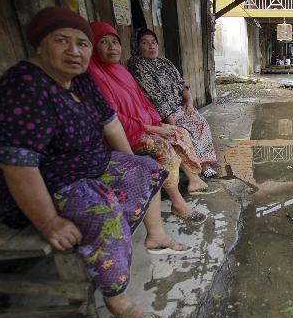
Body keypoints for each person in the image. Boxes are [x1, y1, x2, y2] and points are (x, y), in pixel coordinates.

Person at [0, 7, 186, 318]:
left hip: (89, 164)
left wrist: (129, 165)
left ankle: (153, 234)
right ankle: (116, 297)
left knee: (146, 169)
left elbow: (111, 122)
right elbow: (17, 165)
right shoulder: (22, 87)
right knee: (103, 206)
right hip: (47, 182)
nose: (74, 51)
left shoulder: (81, 80)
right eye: (61, 41)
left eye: (82, 43)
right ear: (39, 45)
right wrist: (48, 220)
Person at [88, 22, 211, 221]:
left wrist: (160, 123)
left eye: (114, 41)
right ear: (93, 46)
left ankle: (194, 179)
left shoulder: (120, 70)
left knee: (181, 133)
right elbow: (113, 118)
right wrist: (157, 126)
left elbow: (143, 102)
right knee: (164, 147)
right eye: (103, 42)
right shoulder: (96, 74)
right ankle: (178, 202)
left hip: (146, 124)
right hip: (125, 134)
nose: (111, 47)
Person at [127, 28, 218, 178]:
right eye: (145, 43)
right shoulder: (137, 66)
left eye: (154, 42)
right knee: (184, 131)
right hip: (160, 114)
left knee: (200, 122)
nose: (151, 46)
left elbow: (182, 84)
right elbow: (154, 98)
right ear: (137, 46)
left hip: (180, 107)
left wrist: (189, 102)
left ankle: (205, 164)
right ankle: (196, 167)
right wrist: (171, 121)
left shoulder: (165, 62)